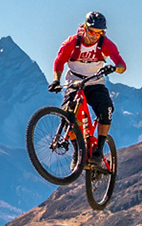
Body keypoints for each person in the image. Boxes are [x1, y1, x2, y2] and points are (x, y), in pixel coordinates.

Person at [48, 12, 126, 142]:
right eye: (91, 32)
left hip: (95, 83)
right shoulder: (72, 42)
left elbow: (122, 65)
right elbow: (59, 62)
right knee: (69, 117)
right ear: (84, 28)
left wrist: (114, 68)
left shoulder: (106, 44)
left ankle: (98, 150)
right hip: (74, 82)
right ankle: (78, 154)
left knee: (105, 109)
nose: (95, 36)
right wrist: (56, 80)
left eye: (99, 33)